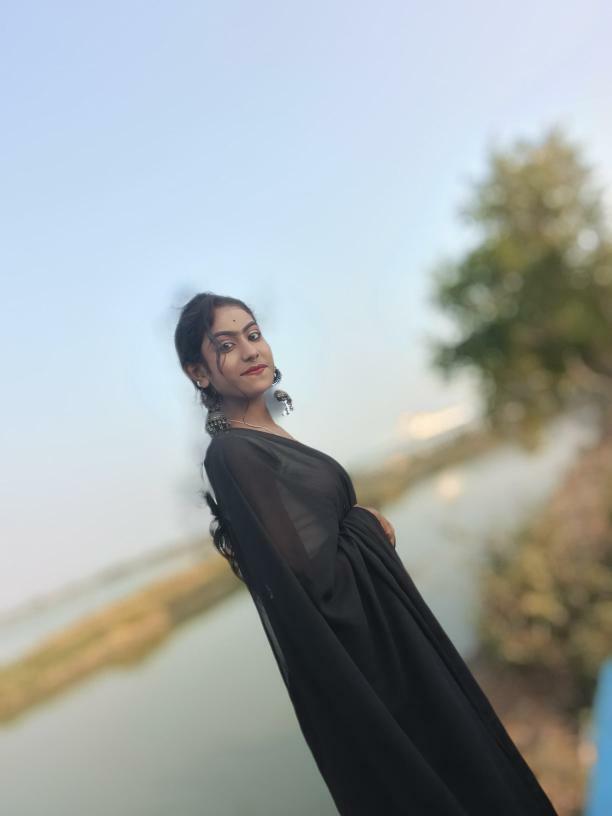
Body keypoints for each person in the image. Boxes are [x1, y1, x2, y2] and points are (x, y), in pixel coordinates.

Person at [174, 291, 559, 816]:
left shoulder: (261, 435)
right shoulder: (233, 452)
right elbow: (314, 582)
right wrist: (366, 524)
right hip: (374, 667)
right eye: (225, 345)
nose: (249, 350)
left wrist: (352, 525)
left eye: (253, 334)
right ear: (198, 372)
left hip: (388, 640)